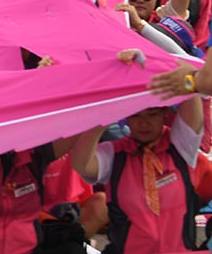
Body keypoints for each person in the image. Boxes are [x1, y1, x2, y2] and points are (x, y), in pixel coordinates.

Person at [75, 51, 204, 254]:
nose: (144, 123)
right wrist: (104, 115)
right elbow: (81, 164)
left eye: (152, 114)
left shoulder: (181, 145)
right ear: (125, 118)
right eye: (135, 116)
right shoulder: (114, 155)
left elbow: (191, 87)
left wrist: (151, 58)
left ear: (164, 114)